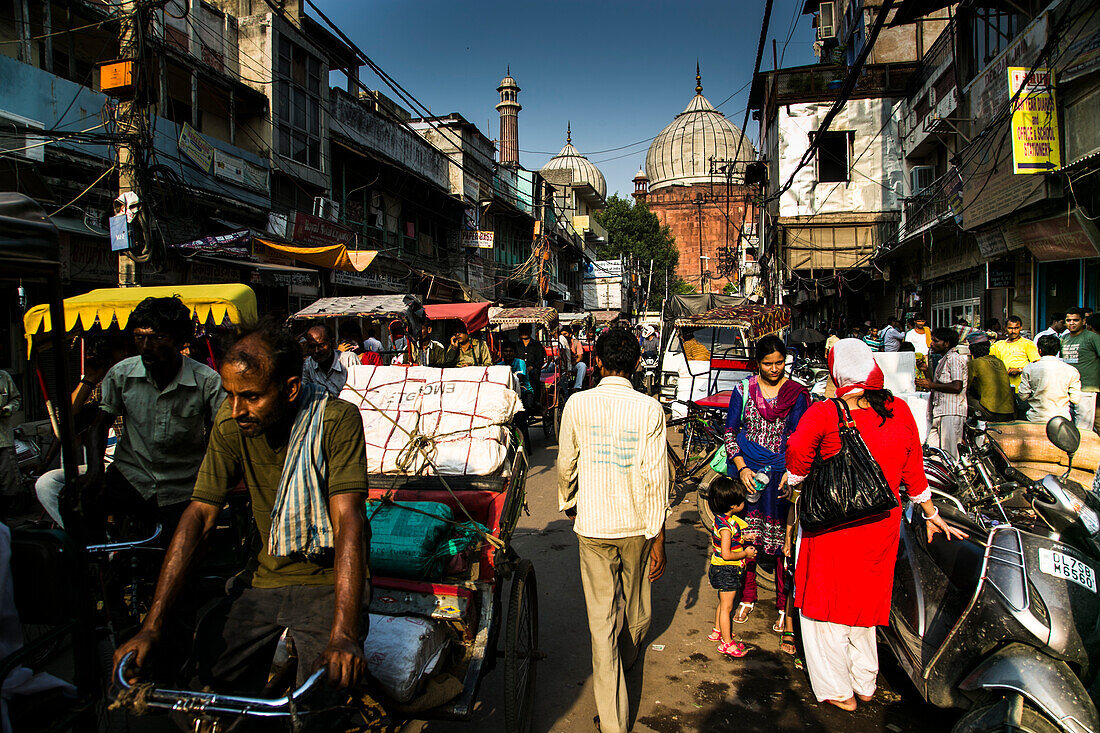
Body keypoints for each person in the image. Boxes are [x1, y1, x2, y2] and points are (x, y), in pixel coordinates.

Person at [113, 320, 369, 692]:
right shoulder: (231, 423)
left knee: (322, 691)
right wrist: (151, 626)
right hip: (263, 579)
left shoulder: (335, 419)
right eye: (230, 395)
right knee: (211, 679)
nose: (237, 409)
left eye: (251, 396)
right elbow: (200, 514)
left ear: (291, 389)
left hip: (327, 583)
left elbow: (348, 519)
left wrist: (344, 633)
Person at [785, 338, 966, 711]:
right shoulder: (898, 410)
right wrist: (932, 515)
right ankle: (865, 682)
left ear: (838, 371)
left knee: (825, 609)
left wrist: (794, 479)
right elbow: (915, 472)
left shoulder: (826, 412)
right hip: (881, 526)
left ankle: (838, 690)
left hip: (834, 525)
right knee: (864, 606)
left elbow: (797, 458)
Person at [557, 328, 668, 733]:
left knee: (604, 624)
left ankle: (613, 702)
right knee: (636, 615)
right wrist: (658, 535)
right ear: (637, 363)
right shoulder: (650, 410)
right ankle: (616, 713)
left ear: (598, 362)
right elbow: (657, 478)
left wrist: (569, 502)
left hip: (594, 525)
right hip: (636, 525)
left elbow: (566, 462)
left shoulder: (577, 403)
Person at [82, 296, 225, 535]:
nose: (146, 346)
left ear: (179, 340)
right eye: (140, 337)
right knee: (76, 501)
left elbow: (220, 435)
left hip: (183, 485)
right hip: (131, 476)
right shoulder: (121, 374)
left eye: (157, 338)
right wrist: (95, 471)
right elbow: (99, 424)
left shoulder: (207, 381)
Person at [723, 336, 809, 627]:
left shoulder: (798, 394)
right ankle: (748, 596)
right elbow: (730, 432)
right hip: (749, 475)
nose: (774, 369)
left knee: (786, 542)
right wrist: (742, 468)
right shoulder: (743, 389)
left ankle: (784, 606)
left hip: (784, 474)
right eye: (768, 363)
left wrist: (792, 470)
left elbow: (801, 437)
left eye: (780, 362)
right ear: (757, 363)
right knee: (745, 538)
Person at [705, 476, 754, 659]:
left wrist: (743, 538)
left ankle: (717, 630)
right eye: (741, 501)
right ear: (733, 505)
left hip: (720, 568)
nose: (743, 504)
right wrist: (745, 553)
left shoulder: (722, 521)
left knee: (722, 602)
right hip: (727, 569)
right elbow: (727, 554)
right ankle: (727, 643)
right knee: (727, 607)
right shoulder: (726, 527)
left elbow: (730, 542)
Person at [916, 327, 967, 460]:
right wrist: (926, 371)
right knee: (933, 453)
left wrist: (931, 385)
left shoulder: (954, 358)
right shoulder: (944, 359)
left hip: (951, 411)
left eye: (936, 341)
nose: (931, 343)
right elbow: (938, 384)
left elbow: (957, 386)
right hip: (940, 411)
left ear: (946, 343)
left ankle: (955, 480)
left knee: (950, 454)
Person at [1018, 335, 1083, 423]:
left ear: (1039, 351)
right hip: (1061, 419)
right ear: (1057, 351)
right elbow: (1075, 399)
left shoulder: (1029, 369)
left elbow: (1023, 396)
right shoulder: (1071, 370)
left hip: (1036, 418)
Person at [1061, 307, 1100, 431]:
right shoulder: (1064, 338)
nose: (1071, 323)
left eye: (1075, 320)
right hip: (1067, 388)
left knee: (1084, 429)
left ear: (1083, 321)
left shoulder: (1092, 337)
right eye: (1068, 320)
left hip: (1086, 388)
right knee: (1068, 427)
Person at [966, 333, 1015, 422]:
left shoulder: (974, 363)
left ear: (972, 350)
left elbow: (965, 386)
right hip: (1009, 412)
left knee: (965, 397)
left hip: (991, 413)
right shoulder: (999, 362)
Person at [302, 324, 359, 397]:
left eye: (321, 346)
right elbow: (306, 392)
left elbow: (360, 390)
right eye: (312, 347)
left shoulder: (349, 359)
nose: (316, 351)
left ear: (331, 343)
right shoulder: (308, 364)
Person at [990, 315, 1039, 391]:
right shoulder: (998, 345)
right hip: (1003, 387)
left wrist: (1019, 370)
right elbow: (991, 364)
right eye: (1010, 328)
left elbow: (1036, 364)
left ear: (1020, 328)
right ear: (1005, 328)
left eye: (1016, 328)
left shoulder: (1028, 343)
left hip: (1023, 388)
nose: (1013, 331)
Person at [0, 369, 21, 505]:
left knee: (9, 478)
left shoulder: (3, 376)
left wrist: (7, 409)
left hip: (3, 438)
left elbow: (16, 399)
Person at [516, 324, 546, 405]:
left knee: (534, 375)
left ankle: (536, 401)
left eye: (526, 330)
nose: (524, 333)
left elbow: (540, 361)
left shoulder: (537, 345)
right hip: (518, 370)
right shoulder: (516, 345)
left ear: (530, 331)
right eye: (522, 330)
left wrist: (531, 368)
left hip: (533, 370)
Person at [560, 326, 587, 391]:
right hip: (562, 365)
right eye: (562, 335)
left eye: (565, 334)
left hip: (573, 364)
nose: (564, 336)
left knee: (582, 365)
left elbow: (580, 357)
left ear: (570, 334)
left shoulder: (576, 343)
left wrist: (571, 364)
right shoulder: (560, 343)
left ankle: (577, 386)